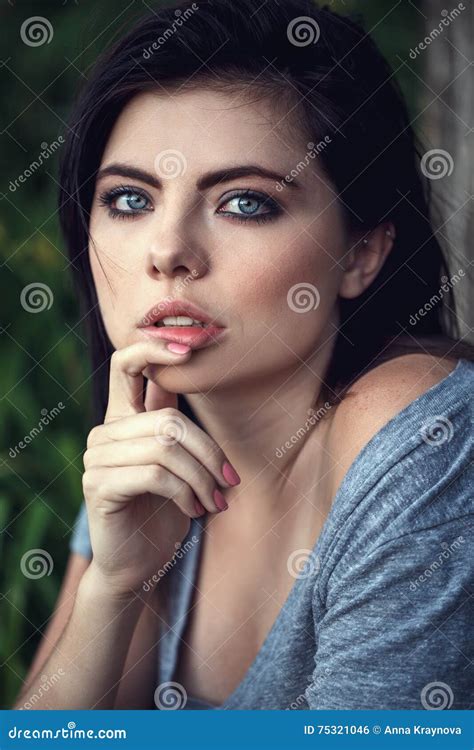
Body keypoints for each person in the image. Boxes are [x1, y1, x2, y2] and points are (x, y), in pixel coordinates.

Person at [14, 0, 474, 710]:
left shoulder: (418, 434)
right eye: (130, 199)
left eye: (244, 204)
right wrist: (115, 583)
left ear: (360, 254)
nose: (167, 251)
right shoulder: (148, 442)